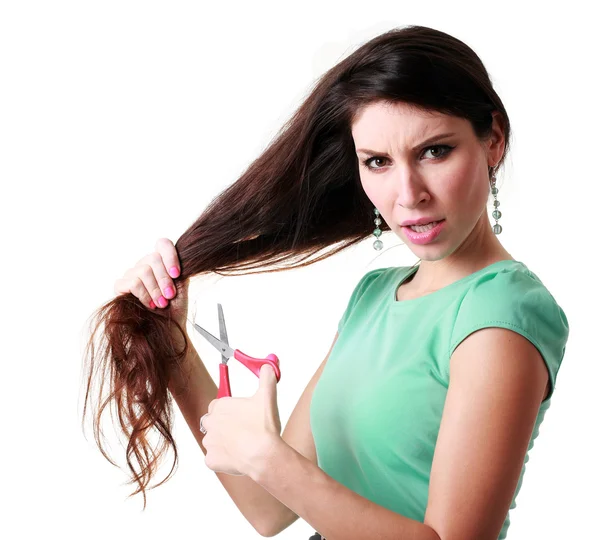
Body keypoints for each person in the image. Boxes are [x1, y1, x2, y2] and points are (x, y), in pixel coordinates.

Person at [81, 25, 569, 539]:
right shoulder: (374, 296)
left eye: (434, 151)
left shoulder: (501, 314)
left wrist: (270, 458)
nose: (407, 194)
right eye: (377, 162)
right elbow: (269, 508)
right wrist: (171, 336)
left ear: (492, 140)